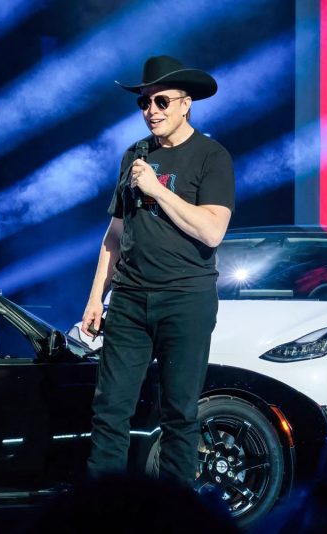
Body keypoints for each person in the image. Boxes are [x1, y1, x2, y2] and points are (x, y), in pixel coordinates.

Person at [81, 55, 235, 487]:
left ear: (186, 104)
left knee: (179, 413)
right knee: (109, 409)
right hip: (129, 300)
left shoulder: (211, 156)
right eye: (145, 102)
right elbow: (114, 235)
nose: (151, 110)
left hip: (185, 300)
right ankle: (101, 508)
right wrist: (95, 299)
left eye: (161, 101)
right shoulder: (135, 154)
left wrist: (156, 189)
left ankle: (173, 512)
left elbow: (212, 231)